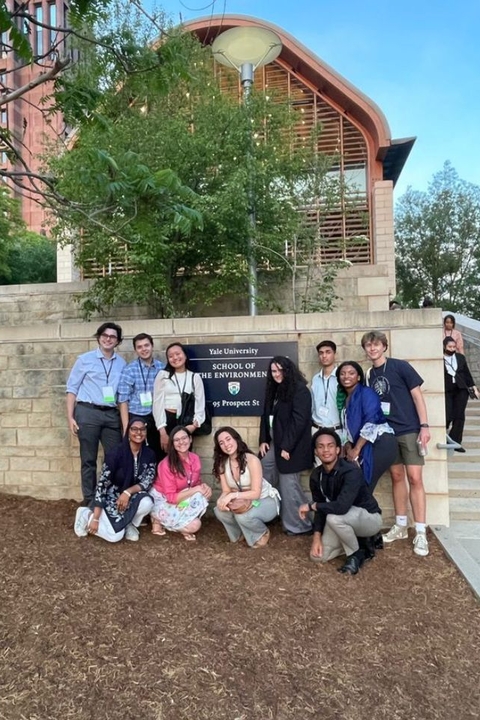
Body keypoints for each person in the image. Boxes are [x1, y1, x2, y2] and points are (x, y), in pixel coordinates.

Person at [361, 331, 431, 557]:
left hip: (409, 429)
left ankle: (420, 530)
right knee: (397, 477)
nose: (372, 349)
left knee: (415, 478)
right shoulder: (370, 374)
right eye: (368, 346)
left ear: (384, 346)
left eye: (376, 345)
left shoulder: (401, 367)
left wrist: (425, 426)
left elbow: (418, 396)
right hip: (387, 433)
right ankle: (401, 525)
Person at [299, 429, 382, 575]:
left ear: (338, 450)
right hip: (341, 519)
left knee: (334, 517)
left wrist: (312, 506)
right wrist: (316, 538)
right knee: (317, 557)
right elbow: (321, 509)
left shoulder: (351, 471)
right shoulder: (316, 475)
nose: (326, 450)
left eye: (330, 446)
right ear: (316, 451)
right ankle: (353, 542)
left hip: (369, 519)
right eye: (321, 446)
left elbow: (341, 507)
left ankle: (357, 554)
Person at [66, 322, 126, 506]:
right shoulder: (85, 359)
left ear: (117, 341)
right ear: (99, 337)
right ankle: (90, 500)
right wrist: (70, 417)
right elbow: (72, 389)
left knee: (115, 458)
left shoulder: (122, 363)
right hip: (87, 412)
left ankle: (109, 497)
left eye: (113, 336)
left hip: (110, 414)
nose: (108, 339)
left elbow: (122, 395)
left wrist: (125, 424)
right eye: (105, 335)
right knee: (88, 459)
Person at [74, 418, 156, 542]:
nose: (138, 432)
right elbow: (103, 484)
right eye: (134, 429)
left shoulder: (149, 454)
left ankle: (129, 524)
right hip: (111, 498)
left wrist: (127, 492)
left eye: (142, 429)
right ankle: (86, 515)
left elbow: (147, 480)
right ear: (128, 431)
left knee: (147, 502)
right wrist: (96, 518)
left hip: (131, 495)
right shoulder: (116, 453)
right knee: (115, 537)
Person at [259, 355, 313, 536]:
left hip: (292, 445)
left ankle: (299, 525)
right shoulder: (273, 389)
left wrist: (287, 447)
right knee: (263, 469)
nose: (277, 374)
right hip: (275, 443)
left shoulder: (300, 390)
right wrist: (264, 440)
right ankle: (267, 512)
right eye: (273, 371)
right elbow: (265, 416)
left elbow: (299, 421)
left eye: (280, 370)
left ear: (288, 370)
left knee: (289, 484)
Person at [213, 427, 280, 548]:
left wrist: (233, 495)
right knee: (219, 511)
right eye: (221, 443)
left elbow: (256, 493)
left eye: (228, 439)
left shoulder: (251, 460)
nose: (226, 444)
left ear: (236, 439)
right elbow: (226, 491)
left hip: (264, 500)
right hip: (242, 500)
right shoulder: (222, 463)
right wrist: (221, 500)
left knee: (244, 517)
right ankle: (239, 535)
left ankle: (261, 533)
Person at [336, 361, 398, 490]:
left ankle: (369, 510)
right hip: (362, 444)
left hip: (380, 443)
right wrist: (347, 446)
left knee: (364, 486)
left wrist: (356, 449)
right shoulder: (344, 398)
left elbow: (372, 421)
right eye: (342, 374)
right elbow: (346, 427)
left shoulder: (366, 393)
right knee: (358, 485)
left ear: (358, 377)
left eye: (351, 373)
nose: (346, 376)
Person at [150, 425, 211, 540]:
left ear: (190, 439)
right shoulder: (166, 464)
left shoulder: (195, 458)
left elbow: (196, 483)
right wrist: (196, 489)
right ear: (172, 443)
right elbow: (171, 497)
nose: (181, 442)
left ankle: (175, 521)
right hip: (163, 499)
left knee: (204, 494)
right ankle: (158, 518)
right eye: (177, 440)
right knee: (195, 525)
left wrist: (204, 487)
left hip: (182, 497)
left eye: (184, 438)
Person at [153, 342, 206, 455]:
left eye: (178, 354)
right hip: (167, 420)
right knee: (166, 457)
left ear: (185, 355)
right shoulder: (163, 375)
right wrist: (162, 432)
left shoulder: (194, 377)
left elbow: (200, 403)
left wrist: (194, 425)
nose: (175, 358)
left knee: (183, 457)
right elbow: (157, 404)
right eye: (170, 356)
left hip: (186, 422)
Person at [117, 333, 165, 460]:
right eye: (139, 347)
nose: (144, 349)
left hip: (156, 417)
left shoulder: (162, 368)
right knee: (137, 454)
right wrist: (127, 429)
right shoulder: (130, 370)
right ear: (136, 350)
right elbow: (123, 400)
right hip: (136, 415)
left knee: (157, 453)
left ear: (152, 346)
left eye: (146, 345)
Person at [443, 337, 478, 452]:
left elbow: (467, 374)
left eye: (454, 347)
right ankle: (444, 437)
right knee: (448, 414)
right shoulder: (439, 359)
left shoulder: (460, 358)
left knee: (459, 416)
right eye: (449, 347)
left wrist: (474, 389)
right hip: (447, 389)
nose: (452, 349)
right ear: (444, 347)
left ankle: (456, 441)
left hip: (461, 389)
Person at [311, 340, 341, 433]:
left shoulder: (341, 378)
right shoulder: (315, 379)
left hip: (336, 429)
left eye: (328, 352)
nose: (324, 356)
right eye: (321, 353)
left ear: (334, 354)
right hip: (316, 429)